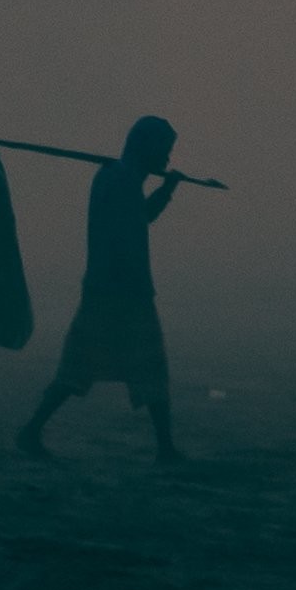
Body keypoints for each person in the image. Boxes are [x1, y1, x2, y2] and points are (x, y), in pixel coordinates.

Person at [16, 114, 187, 461]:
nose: (166, 160)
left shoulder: (119, 178)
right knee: (93, 368)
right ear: (146, 147)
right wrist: (165, 191)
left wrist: (167, 189)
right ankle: (32, 430)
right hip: (116, 293)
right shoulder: (120, 181)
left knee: (128, 368)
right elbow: (131, 227)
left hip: (115, 289)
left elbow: (139, 218)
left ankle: (165, 447)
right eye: (164, 151)